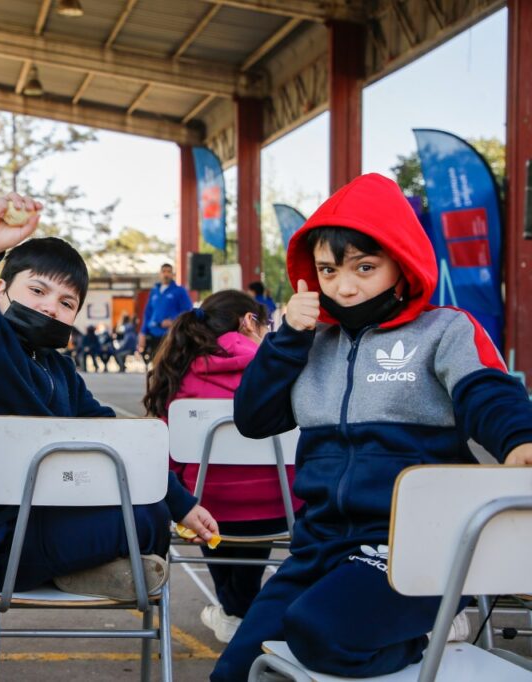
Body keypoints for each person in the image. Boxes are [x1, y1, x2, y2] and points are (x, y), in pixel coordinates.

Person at [212, 173, 532, 681]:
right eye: (328, 270)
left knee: (317, 633)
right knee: (235, 670)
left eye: (365, 267)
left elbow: (487, 393)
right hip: (318, 545)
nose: (344, 286)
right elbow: (253, 419)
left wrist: (520, 441)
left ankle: (426, 633)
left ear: (401, 262)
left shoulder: (444, 330)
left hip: (415, 548)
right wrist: (288, 338)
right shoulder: (310, 342)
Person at [0, 192, 217, 601]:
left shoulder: (59, 369)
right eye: (37, 291)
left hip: (43, 524)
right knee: (144, 523)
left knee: (153, 513)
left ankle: (79, 569)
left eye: (66, 302)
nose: (49, 308)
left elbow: (113, 437)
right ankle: (84, 567)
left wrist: (182, 501)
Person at [143, 290, 303, 644]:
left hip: (203, 510)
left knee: (203, 504)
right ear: (249, 321)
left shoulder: (177, 373)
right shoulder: (280, 369)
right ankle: (240, 610)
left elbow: (165, 460)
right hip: (284, 509)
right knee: (257, 501)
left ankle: (235, 609)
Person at [138, 263, 192, 362]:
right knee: (155, 363)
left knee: (168, 363)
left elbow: (187, 311)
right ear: (160, 274)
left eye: (169, 272)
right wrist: (142, 333)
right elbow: (147, 313)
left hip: (170, 335)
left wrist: (173, 322)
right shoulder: (154, 291)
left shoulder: (179, 291)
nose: (166, 274)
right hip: (153, 334)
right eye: (164, 271)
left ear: (173, 274)